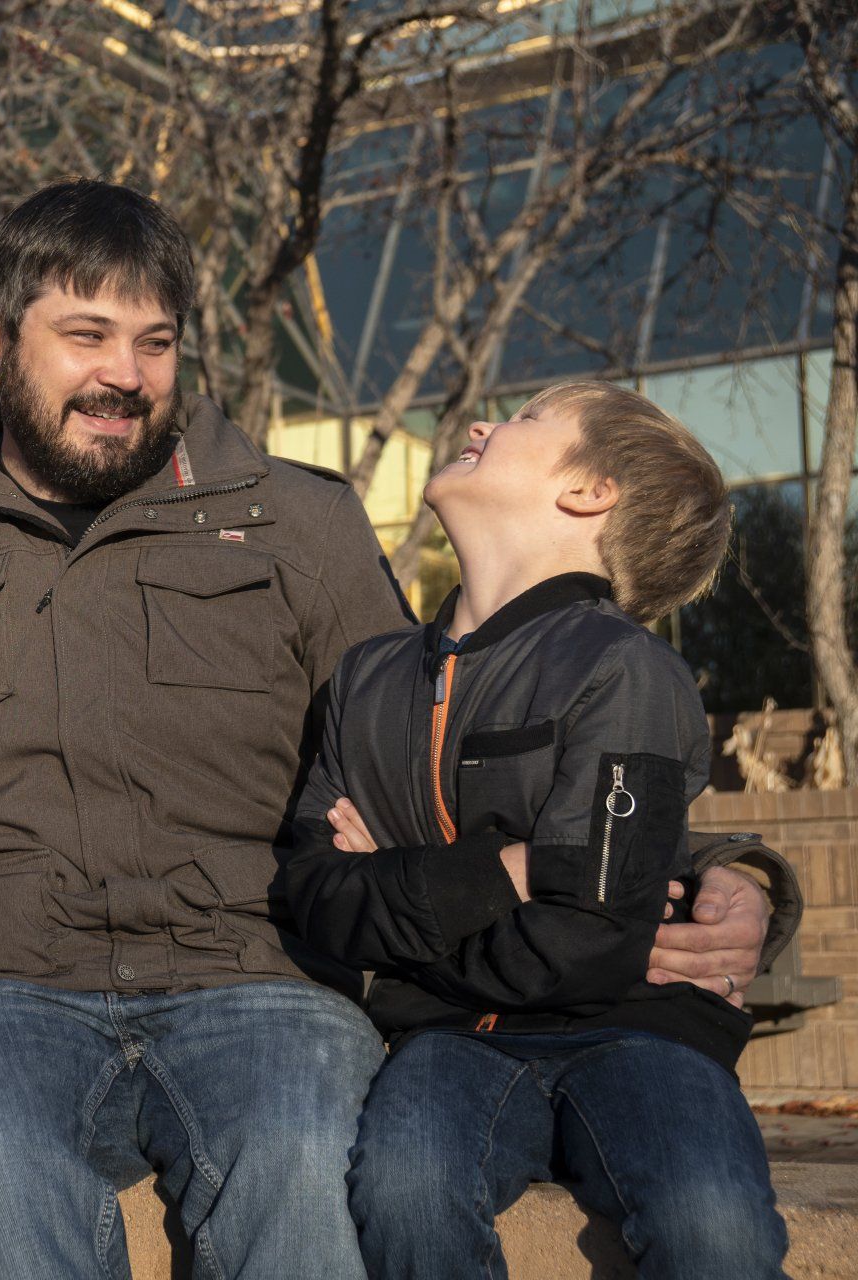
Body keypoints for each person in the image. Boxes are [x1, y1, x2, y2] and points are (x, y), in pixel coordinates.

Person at [0, 179, 793, 1279]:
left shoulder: (296, 520)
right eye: (86, 336)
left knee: (306, 1155)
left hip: (256, 977)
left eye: (155, 343)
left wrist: (731, 872)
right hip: (0, 982)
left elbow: (448, 748)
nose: (125, 374)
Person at [283, 382, 795, 1278]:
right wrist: (505, 872)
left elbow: (589, 935)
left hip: (641, 1034)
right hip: (447, 1047)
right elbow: (313, 893)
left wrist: (400, 909)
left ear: (591, 491)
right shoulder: (365, 678)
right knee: (404, 1193)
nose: (484, 422)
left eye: (524, 418)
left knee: (712, 1223)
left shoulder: (627, 669)